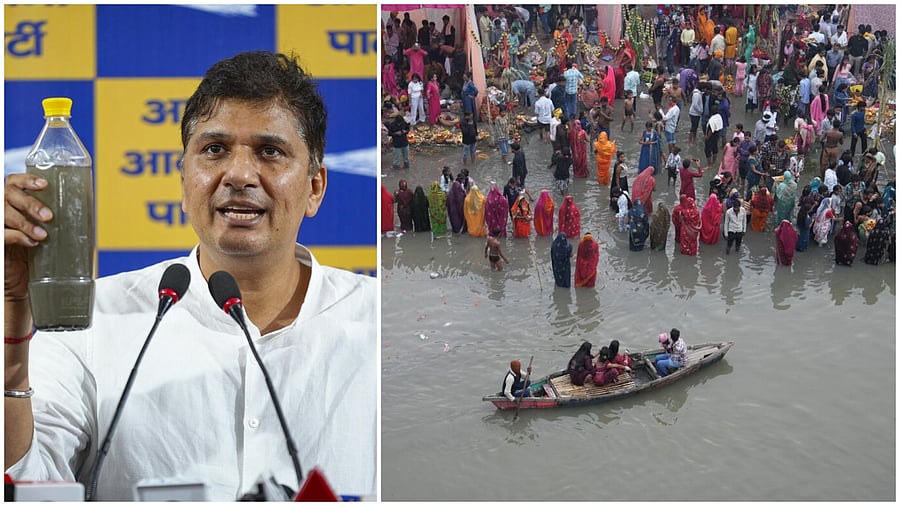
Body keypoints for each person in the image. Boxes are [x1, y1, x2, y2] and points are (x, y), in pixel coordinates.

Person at [4, 51, 375, 499]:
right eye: (214, 149)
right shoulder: (95, 320)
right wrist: (10, 327)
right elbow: (25, 486)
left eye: (269, 151)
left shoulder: (376, 322)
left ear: (314, 187)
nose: (238, 174)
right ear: (183, 181)